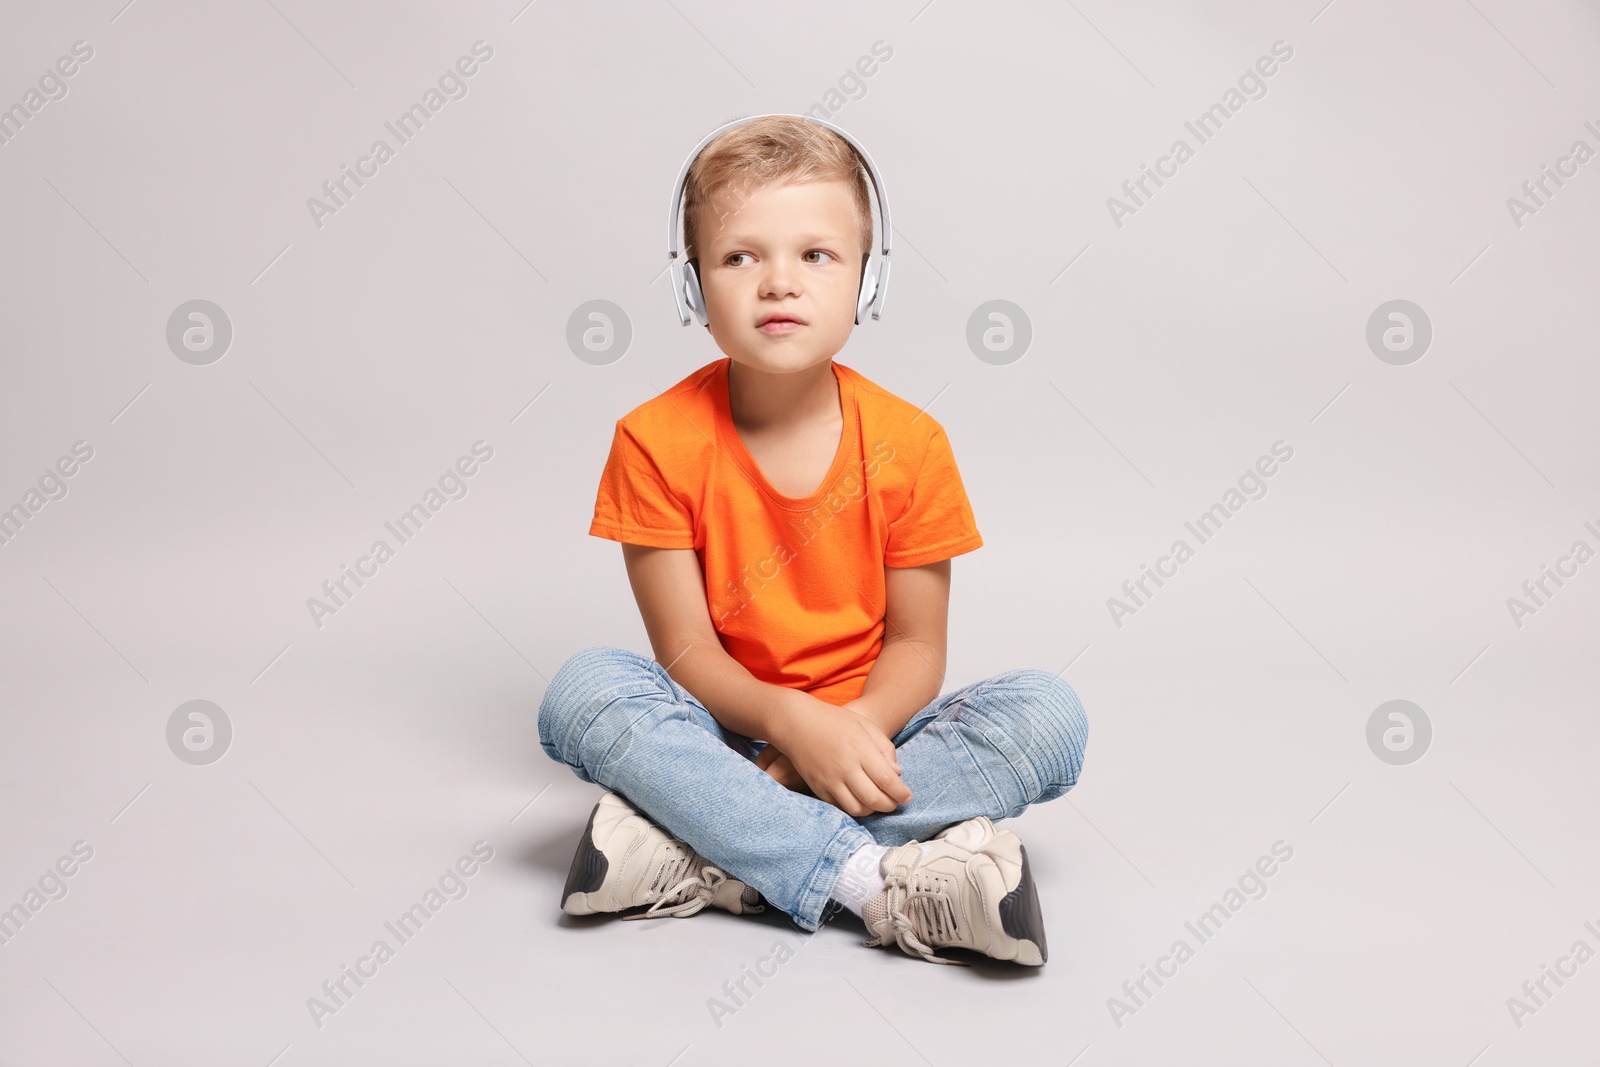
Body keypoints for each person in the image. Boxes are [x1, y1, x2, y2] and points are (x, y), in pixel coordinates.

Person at [538, 115, 1088, 966]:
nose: (777, 284)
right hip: (720, 734)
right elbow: (683, 651)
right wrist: (789, 725)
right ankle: (877, 882)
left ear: (869, 282)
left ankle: (703, 851)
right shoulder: (653, 439)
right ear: (694, 289)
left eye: (816, 255)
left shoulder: (912, 443)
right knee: (584, 692)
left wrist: (843, 735)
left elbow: (915, 644)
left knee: (1049, 715)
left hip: (874, 741)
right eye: (738, 257)